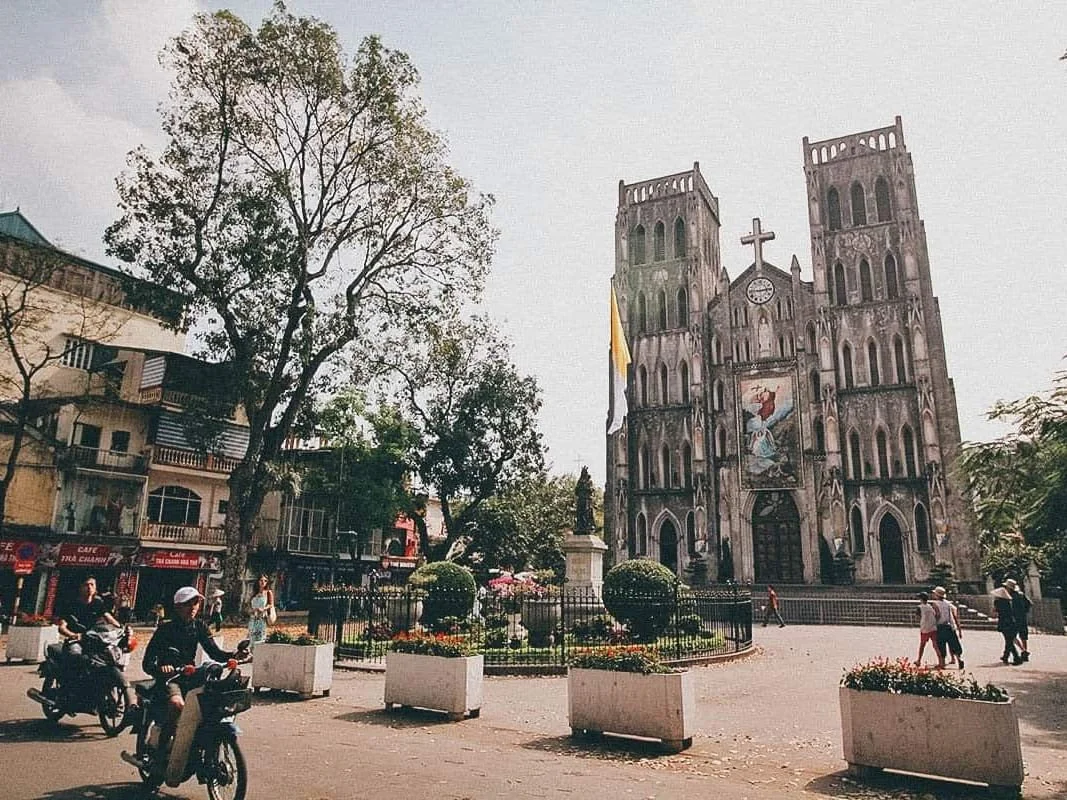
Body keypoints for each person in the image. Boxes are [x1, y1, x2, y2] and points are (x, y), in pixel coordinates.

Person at [142, 587, 248, 763]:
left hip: (191, 676)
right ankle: (160, 753)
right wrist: (161, 668)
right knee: (177, 705)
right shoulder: (165, 629)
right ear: (177, 606)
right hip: (171, 679)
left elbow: (215, 652)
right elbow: (147, 662)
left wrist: (234, 656)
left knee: (212, 705)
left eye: (196, 603)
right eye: (188, 604)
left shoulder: (199, 626)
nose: (193, 607)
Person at [53, 576, 139, 723]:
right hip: (77, 640)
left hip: (95, 639)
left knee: (107, 658)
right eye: (86, 585)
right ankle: (68, 691)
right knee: (76, 656)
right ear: (80, 588)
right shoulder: (71, 604)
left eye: (92, 584)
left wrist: (122, 629)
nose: (89, 588)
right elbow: (62, 626)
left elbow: (108, 618)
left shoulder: (98, 603)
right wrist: (73, 635)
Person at [931, 586, 963, 670]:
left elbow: (937, 615)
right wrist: (959, 629)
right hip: (949, 626)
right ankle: (959, 659)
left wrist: (934, 623)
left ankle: (942, 663)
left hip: (940, 626)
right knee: (953, 644)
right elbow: (954, 616)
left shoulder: (935, 604)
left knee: (941, 644)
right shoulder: (948, 604)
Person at [992, 579, 1021, 665]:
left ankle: (1016, 658)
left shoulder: (999, 601)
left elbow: (995, 611)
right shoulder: (1009, 600)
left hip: (1005, 622)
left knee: (1008, 640)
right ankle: (1006, 656)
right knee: (1009, 640)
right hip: (1012, 621)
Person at [1008, 578, 1032, 662]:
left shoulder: (1011, 597)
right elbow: (1029, 604)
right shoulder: (1021, 594)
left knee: (1011, 636)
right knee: (1024, 636)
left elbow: (1010, 608)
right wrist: (1024, 612)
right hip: (1022, 617)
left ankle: (1023, 650)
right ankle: (1025, 653)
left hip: (1014, 618)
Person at [248, 574, 275, 646]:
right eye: (261, 580)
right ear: (258, 581)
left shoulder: (268, 592)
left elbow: (271, 604)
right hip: (253, 618)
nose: (263, 582)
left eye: (265, 581)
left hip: (261, 618)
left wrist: (263, 609)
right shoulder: (254, 593)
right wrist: (251, 610)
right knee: (251, 638)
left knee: (260, 638)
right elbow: (249, 604)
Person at [914, 591, 939, 667]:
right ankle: (941, 660)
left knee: (922, 645)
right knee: (935, 645)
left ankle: (919, 660)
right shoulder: (930, 606)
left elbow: (917, 617)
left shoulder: (920, 607)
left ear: (921, 599)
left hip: (925, 628)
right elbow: (935, 615)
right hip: (933, 627)